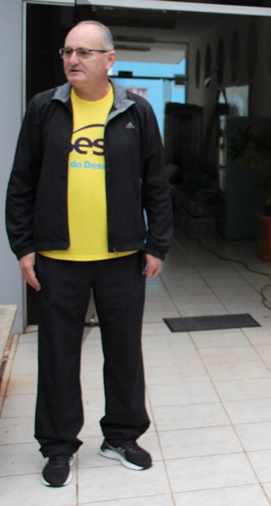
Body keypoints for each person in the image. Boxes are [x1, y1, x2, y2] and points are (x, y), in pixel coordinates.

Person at [5, 20, 173, 487]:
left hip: (121, 257)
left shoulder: (136, 112)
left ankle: (121, 435)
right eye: (67, 51)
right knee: (57, 355)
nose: (72, 60)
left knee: (124, 352)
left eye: (84, 52)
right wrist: (24, 247)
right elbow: (21, 182)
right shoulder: (45, 108)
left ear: (109, 60)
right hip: (58, 258)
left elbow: (157, 184)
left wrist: (157, 244)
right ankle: (58, 445)